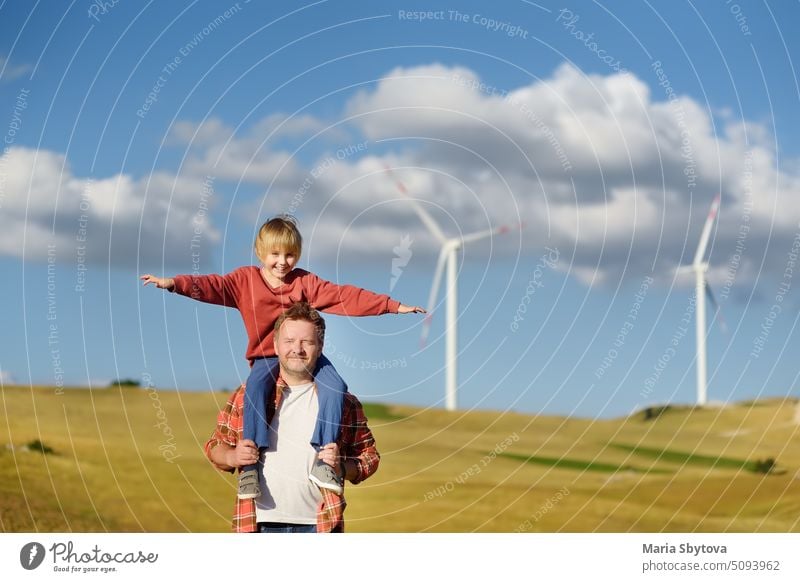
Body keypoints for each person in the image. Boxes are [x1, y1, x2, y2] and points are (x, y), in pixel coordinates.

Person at [141, 215, 422, 499]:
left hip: (302, 356)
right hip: (266, 356)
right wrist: (174, 283)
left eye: (290, 254)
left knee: (335, 386)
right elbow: (212, 285)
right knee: (255, 388)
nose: (283, 262)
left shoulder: (304, 282)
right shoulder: (244, 281)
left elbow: (342, 296)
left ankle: (323, 459)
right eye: (275, 254)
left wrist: (391, 305)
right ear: (260, 252)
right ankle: (251, 464)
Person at [205, 302, 380, 533]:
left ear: (320, 347)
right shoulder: (247, 395)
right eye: (289, 341)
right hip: (258, 525)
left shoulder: (343, 403)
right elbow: (215, 446)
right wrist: (232, 456)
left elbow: (369, 458)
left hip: (320, 525)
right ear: (275, 346)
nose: (297, 349)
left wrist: (341, 468)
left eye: (306, 342)